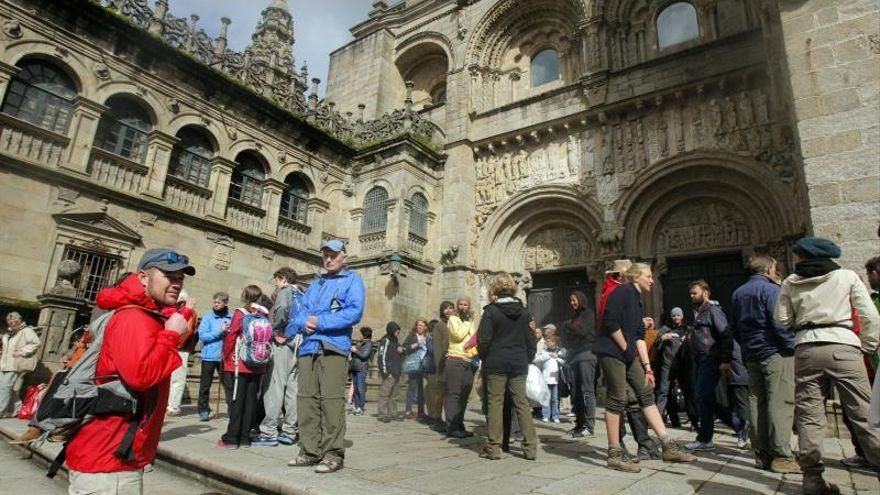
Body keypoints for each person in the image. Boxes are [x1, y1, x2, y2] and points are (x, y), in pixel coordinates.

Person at [65, 248, 194, 493]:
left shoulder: (143, 313)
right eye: (169, 276)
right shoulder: (134, 317)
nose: (176, 283)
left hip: (116, 453)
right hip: (109, 459)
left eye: (180, 278)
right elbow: (142, 375)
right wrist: (171, 335)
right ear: (143, 277)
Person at [775, 237, 880, 494]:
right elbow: (870, 316)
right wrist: (866, 345)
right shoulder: (846, 276)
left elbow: (782, 318)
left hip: (807, 349)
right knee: (864, 413)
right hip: (844, 345)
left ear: (803, 257)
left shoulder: (791, 281)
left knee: (809, 415)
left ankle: (812, 479)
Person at [596, 263, 696, 472]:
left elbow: (640, 336)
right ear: (635, 277)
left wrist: (647, 367)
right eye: (648, 276)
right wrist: (624, 347)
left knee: (645, 393)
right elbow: (610, 322)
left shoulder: (637, 299)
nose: (652, 280)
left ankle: (667, 445)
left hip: (627, 353)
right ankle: (614, 452)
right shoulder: (622, 291)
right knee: (617, 399)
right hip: (612, 352)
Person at [286, 239, 365, 474]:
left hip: (333, 346)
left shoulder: (353, 281)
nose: (328, 259)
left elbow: (354, 312)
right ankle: (309, 451)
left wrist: (319, 322)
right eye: (325, 255)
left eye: (333, 255)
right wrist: (304, 322)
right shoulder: (316, 284)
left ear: (344, 257)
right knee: (306, 399)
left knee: (331, 401)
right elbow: (298, 314)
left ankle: (333, 454)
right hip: (308, 347)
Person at [729, 256, 799, 473]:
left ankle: (761, 452)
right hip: (774, 351)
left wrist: (747, 346)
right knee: (780, 400)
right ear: (769, 269)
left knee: (756, 401)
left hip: (751, 354)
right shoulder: (771, 291)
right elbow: (779, 323)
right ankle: (781, 455)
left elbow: (735, 327)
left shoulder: (738, 293)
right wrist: (791, 346)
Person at [477, 273, 538, 460]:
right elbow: (531, 341)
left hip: (496, 362)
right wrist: (527, 358)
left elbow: (484, 340)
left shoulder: (491, 311)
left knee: (495, 402)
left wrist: (486, 358)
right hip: (518, 362)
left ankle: (494, 447)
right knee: (521, 403)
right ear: (512, 288)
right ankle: (530, 448)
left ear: (494, 289)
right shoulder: (524, 312)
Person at [683, 279, 736, 452]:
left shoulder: (713, 311)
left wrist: (725, 360)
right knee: (708, 399)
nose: (692, 296)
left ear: (705, 293)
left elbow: (726, 335)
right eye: (690, 293)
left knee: (702, 397)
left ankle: (705, 439)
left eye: (695, 293)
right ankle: (740, 424)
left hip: (711, 359)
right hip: (701, 360)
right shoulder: (700, 312)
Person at [254, 267, 304, 447]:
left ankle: (269, 432)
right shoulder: (301, 293)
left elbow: (282, 308)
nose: (275, 284)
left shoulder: (286, 291)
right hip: (298, 344)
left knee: (274, 386)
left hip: (283, 343)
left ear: (283, 278)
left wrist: (276, 330)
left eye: (276, 280)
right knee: (293, 388)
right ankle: (290, 431)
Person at [218, 286, 268, 449]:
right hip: (258, 364)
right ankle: (245, 437)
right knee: (251, 401)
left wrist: (226, 357)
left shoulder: (240, 313)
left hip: (239, 364)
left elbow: (232, 337)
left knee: (237, 401)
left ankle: (232, 438)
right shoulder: (264, 314)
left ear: (244, 296)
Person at [561, 291, 598, 437]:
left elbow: (584, 333)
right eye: (570, 300)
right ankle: (579, 424)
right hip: (574, 355)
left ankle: (589, 426)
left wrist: (569, 327)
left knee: (587, 390)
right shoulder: (574, 317)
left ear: (581, 300)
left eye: (574, 300)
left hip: (586, 354)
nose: (572, 303)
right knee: (575, 391)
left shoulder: (588, 314)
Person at [444, 296, 478, 438]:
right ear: (457, 306)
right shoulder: (453, 320)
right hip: (455, 359)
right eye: (461, 304)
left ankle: (459, 424)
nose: (463, 307)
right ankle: (451, 427)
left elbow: (475, 339)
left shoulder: (470, 322)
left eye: (466, 305)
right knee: (454, 394)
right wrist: (468, 323)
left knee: (464, 395)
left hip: (469, 361)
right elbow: (458, 335)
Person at [196, 292, 231, 421]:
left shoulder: (231, 317)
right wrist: (219, 332)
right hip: (209, 356)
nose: (215, 304)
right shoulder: (208, 318)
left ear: (225, 303)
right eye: (214, 302)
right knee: (205, 385)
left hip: (224, 357)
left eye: (218, 302)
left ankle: (232, 409)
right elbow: (203, 336)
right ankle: (203, 410)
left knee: (228, 385)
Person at [0, 312, 41, 417]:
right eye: (10, 321)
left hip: (15, 364)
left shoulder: (26, 331)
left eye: (15, 321)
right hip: (4, 364)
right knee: (6, 388)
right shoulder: (9, 333)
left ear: (20, 320)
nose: (13, 323)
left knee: (5, 387)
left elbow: (36, 343)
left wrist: (22, 351)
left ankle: (1, 411)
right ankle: (18, 408)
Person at [654, 307, 689, 426]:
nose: (676, 318)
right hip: (667, 365)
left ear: (682, 316)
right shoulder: (665, 329)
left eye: (678, 315)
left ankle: (694, 421)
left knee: (688, 391)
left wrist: (687, 339)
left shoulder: (687, 329)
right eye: (674, 315)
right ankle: (658, 420)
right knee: (664, 392)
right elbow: (655, 343)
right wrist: (662, 338)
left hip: (683, 365)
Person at [166, 290, 198, 417]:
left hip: (181, 348)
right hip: (172, 346)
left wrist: (175, 342)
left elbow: (187, 331)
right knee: (169, 378)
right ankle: (168, 404)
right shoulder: (174, 310)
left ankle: (173, 406)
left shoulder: (190, 313)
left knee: (177, 378)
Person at [428, 301, 454, 428]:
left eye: (451, 308)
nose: (448, 311)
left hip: (454, 364)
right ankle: (437, 419)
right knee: (440, 393)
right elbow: (437, 348)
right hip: (443, 364)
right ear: (442, 311)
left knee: (451, 394)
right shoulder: (440, 325)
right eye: (445, 308)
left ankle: (450, 420)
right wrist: (439, 365)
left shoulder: (455, 324)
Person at [376, 321, 404, 422]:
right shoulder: (385, 340)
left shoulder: (395, 340)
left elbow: (398, 352)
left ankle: (393, 413)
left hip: (396, 371)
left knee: (394, 395)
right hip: (389, 372)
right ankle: (382, 414)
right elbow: (381, 357)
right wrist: (385, 372)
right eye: (396, 330)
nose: (398, 332)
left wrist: (402, 350)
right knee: (385, 394)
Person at [403, 318, 430, 420]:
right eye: (418, 325)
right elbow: (405, 348)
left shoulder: (427, 337)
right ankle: (408, 411)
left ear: (425, 327)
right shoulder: (412, 336)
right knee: (411, 387)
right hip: (414, 364)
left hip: (423, 365)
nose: (420, 327)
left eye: (422, 325)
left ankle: (421, 411)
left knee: (421, 389)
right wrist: (417, 344)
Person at [534, 332, 564, 423]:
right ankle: (546, 415)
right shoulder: (544, 352)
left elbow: (564, 361)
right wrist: (546, 356)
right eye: (547, 341)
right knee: (546, 398)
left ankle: (555, 415)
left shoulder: (559, 351)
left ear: (554, 342)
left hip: (555, 380)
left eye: (549, 341)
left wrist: (557, 358)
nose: (547, 343)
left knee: (555, 399)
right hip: (545, 379)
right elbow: (536, 360)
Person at [349, 327, 373, 416]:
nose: (359, 336)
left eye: (360, 334)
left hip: (361, 369)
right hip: (355, 368)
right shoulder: (360, 343)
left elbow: (364, 355)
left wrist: (356, 350)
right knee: (355, 389)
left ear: (364, 335)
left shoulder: (369, 344)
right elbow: (355, 355)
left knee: (360, 389)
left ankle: (361, 408)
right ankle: (356, 407)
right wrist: (353, 350)